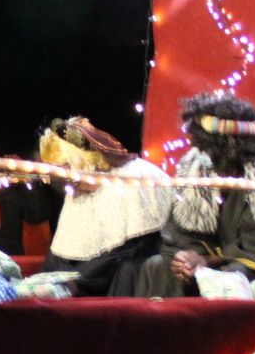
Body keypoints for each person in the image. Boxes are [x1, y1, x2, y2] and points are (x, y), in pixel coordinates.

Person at [137, 93, 255, 298]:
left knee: (229, 280)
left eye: (207, 147)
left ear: (228, 148)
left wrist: (207, 262)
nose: (200, 152)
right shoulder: (197, 166)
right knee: (157, 267)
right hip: (217, 258)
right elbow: (181, 233)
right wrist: (187, 258)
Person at [39, 117, 171, 295]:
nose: (69, 184)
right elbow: (64, 250)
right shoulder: (77, 190)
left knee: (128, 268)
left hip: (134, 259)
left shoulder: (132, 177)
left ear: (86, 161)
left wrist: (76, 278)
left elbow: (128, 247)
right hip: (100, 267)